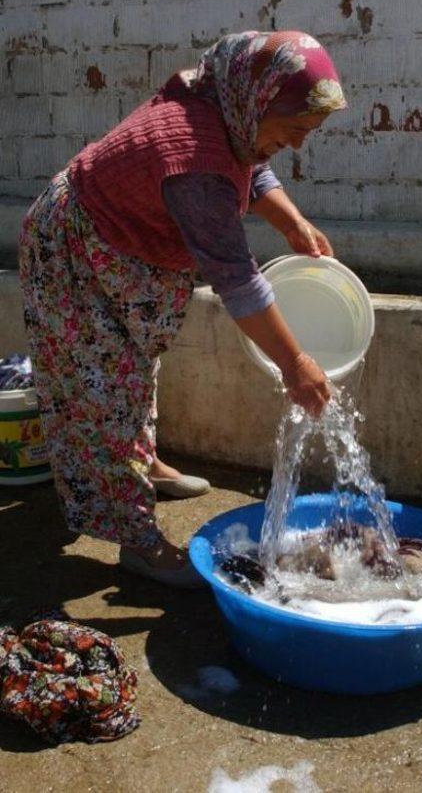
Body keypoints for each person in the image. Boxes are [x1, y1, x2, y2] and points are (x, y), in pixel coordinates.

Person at [18, 30, 347, 587]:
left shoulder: (226, 103)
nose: (296, 145)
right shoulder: (193, 159)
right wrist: (295, 365)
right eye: (295, 130)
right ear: (260, 102)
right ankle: (137, 540)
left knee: (133, 368)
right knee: (101, 391)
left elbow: (254, 160)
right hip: (72, 251)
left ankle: (141, 465)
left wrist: (290, 222)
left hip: (114, 245)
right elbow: (237, 280)